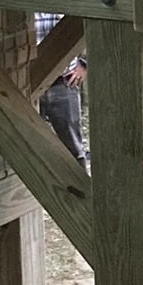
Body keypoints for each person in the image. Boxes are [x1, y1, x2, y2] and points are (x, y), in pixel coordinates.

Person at [36, 14, 89, 171]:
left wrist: (85, 63)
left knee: (73, 146)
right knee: (33, 145)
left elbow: (91, 28)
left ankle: (84, 189)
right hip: (27, 86)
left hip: (64, 84)